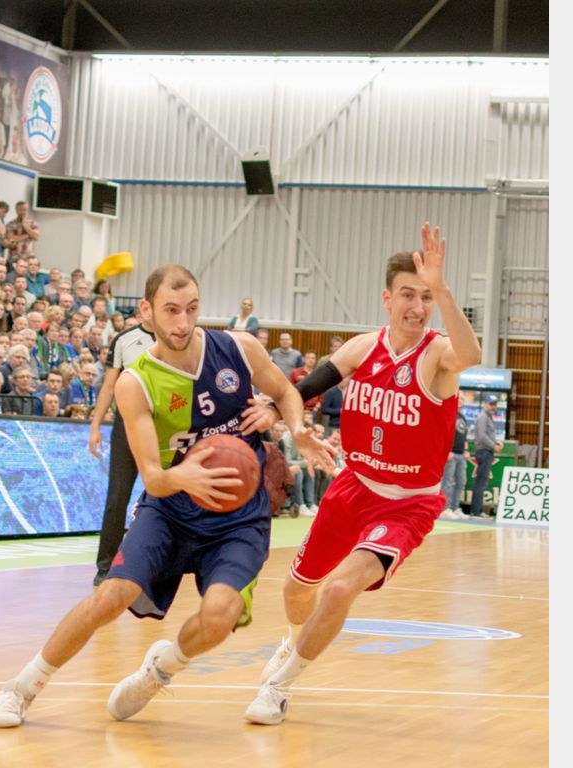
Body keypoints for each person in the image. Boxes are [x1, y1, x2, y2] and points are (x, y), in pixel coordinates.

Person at [0, 263, 332, 730]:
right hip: (172, 507)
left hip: (238, 516)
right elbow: (153, 477)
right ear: (147, 312)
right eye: (171, 310)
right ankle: (20, 688)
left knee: (221, 616)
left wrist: (288, 422)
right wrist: (184, 475)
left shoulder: (239, 348)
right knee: (111, 596)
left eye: (191, 309)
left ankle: (161, 668)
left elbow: (286, 391)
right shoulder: (136, 382)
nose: (183, 322)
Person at [245, 223, 481, 726]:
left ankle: (280, 687)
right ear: (387, 299)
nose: (417, 306)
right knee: (295, 591)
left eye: (425, 297)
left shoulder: (438, 354)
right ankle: (293, 642)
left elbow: (472, 355)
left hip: (407, 504)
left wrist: (442, 288)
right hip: (353, 488)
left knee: (338, 589)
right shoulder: (362, 348)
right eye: (408, 295)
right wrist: (276, 410)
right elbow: (307, 385)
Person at [86, 306, 155, 585]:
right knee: (117, 497)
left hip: (162, 428)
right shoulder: (124, 340)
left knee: (164, 498)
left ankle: (161, 564)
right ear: (145, 309)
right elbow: (108, 387)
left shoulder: (176, 340)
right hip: (126, 427)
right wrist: (95, 426)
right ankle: (105, 566)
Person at [468, 396, 503, 518]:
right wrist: (494, 446)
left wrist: (496, 442)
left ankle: (476, 510)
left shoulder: (488, 417)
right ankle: (476, 511)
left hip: (486, 451)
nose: (493, 407)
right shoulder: (483, 417)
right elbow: (482, 436)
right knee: (480, 483)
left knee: (482, 482)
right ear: (485, 404)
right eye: (491, 404)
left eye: (495, 404)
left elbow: (486, 435)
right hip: (484, 452)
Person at [440, 410, 470, 520]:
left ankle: (455, 507)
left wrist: (466, 450)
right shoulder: (448, 414)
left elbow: (464, 436)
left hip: (461, 454)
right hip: (451, 453)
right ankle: (444, 509)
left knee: (461, 481)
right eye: (459, 400)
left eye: (462, 401)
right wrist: (446, 451)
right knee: (448, 482)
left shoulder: (462, 417)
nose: (460, 402)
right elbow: (443, 433)